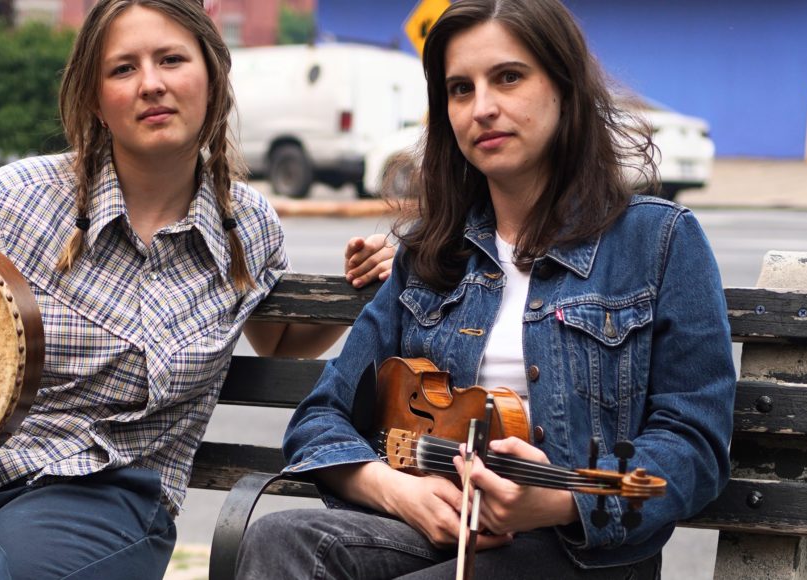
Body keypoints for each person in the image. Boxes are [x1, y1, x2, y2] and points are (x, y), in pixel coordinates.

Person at [0, 0, 394, 578]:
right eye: (123, 68)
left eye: (171, 60)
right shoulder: (14, 200)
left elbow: (280, 342)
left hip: (106, 498)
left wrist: (359, 284)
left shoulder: (246, 228)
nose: (151, 84)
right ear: (96, 100)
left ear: (212, 77)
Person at [236, 0, 736, 578]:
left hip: (580, 554)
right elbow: (320, 419)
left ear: (565, 89)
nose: (484, 108)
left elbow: (693, 447)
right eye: (460, 89)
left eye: (509, 77)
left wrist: (560, 498)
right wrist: (400, 494)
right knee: (280, 541)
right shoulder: (430, 254)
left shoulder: (658, 241)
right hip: (442, 534)